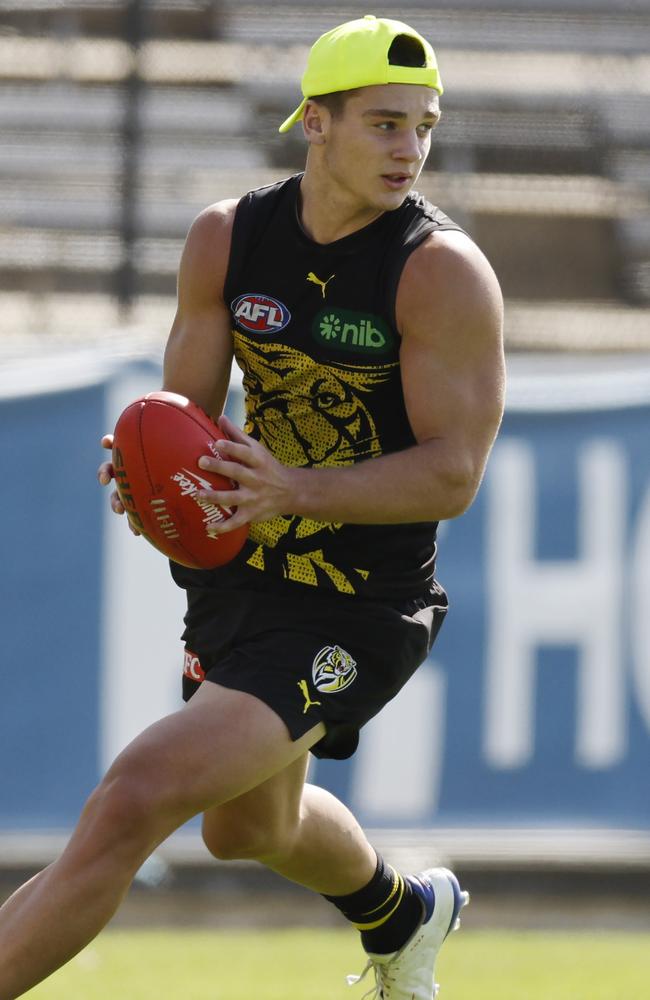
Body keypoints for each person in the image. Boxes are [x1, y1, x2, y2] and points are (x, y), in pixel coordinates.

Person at [0, 14, 504, 999]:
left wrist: (293, 490)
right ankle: (404, 913)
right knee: (248, 829)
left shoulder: (440, 273)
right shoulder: (226, 238)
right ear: (313, 122)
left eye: (423, 127)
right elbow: (176, 421)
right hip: (235, 576)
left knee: (132, 798)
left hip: (355, 600)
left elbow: (453, 475)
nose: (410, 150)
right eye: (384, 124)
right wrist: (148, 481)